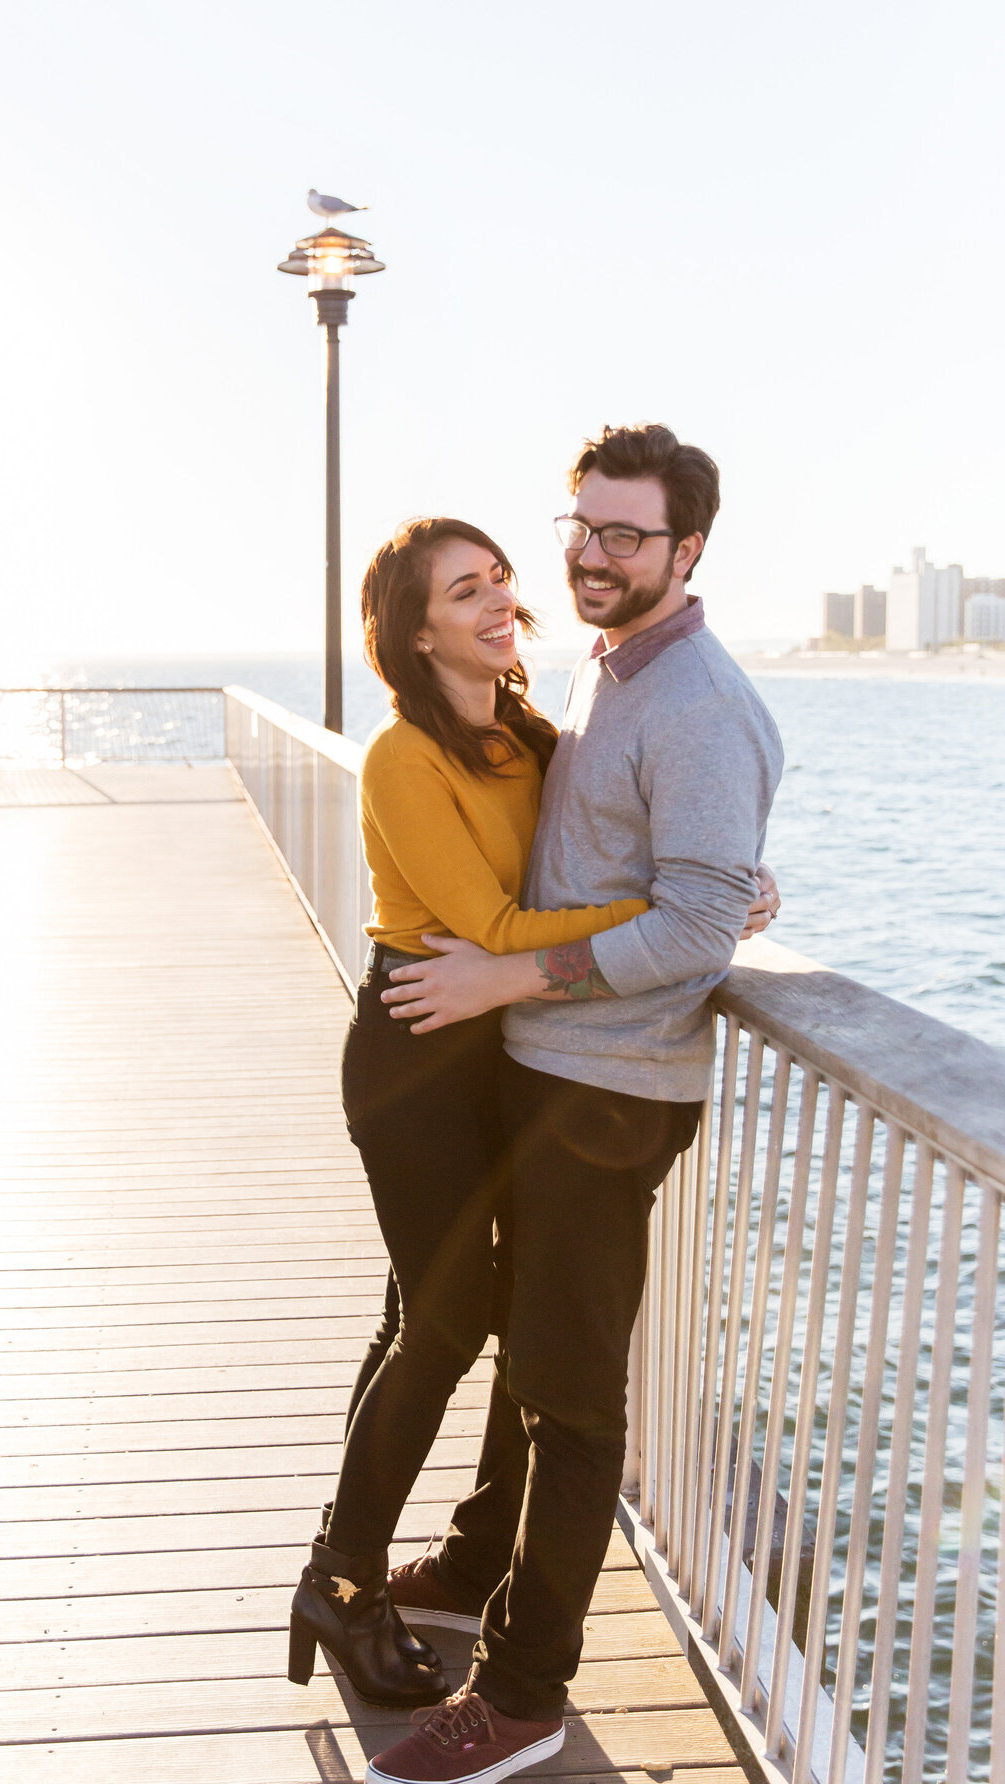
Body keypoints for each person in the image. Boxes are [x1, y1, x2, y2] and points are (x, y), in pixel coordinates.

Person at [286, 504, 778, 1721]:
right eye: (464, 592)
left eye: (499, 576)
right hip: (417, 1047)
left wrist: (723, 892)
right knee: (447, 1322)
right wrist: (676, 926)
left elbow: (616, 864)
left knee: (458, 1312)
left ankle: (455, 1557)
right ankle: (339, 1582)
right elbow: (500, 935)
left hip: (503, 1051)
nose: (500, 598)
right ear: (411, 633)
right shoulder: (406, 756)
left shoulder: (528, 733)